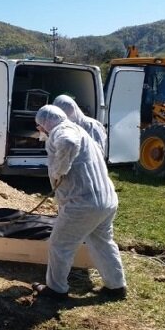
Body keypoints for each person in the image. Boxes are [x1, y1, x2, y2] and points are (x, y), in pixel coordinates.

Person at [32, 105, 127, 301]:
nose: (40, 132)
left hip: (83, 203)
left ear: (46, 124)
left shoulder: (62, 131)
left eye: (40, 127)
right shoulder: (78, 129)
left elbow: (68, 143)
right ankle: (116, 286)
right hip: (105, 200)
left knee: (60, 245)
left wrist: (59, 170)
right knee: (102, 242)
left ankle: (56, 290)